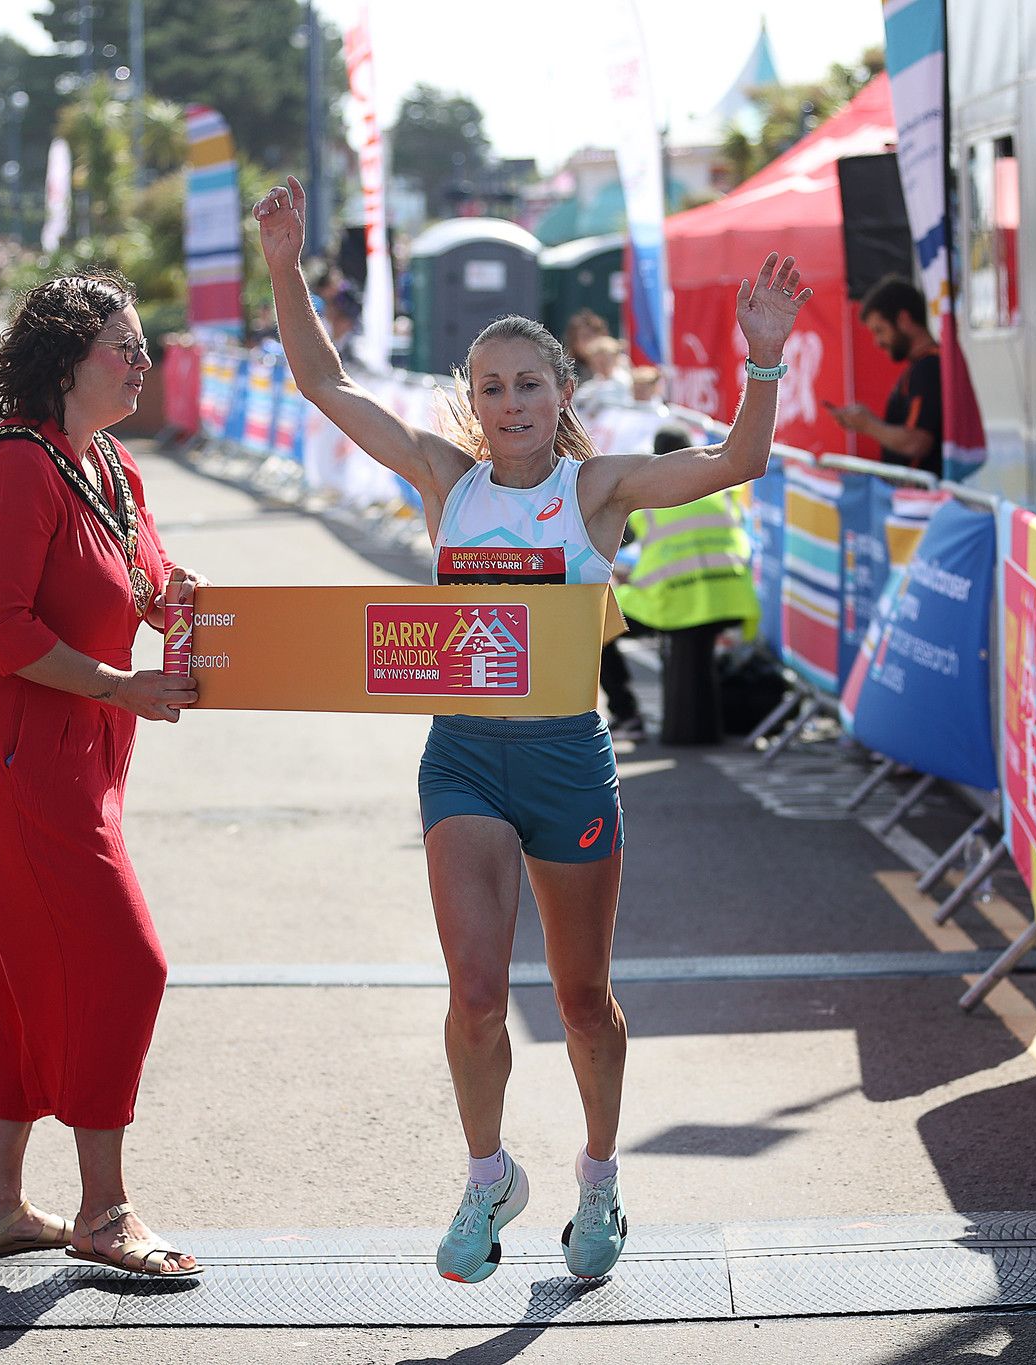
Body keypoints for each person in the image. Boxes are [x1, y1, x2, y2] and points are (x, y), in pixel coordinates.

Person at [255, 174, 811, 1283]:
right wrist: (283, 266)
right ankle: (485, 1177)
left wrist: (761, 360)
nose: (509, 403)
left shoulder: (597, 490)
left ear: (561, 392)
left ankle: (599, 1176)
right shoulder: (443, 479)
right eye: (490, 387)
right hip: (462, 759)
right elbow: (322, 382)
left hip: (567, 762)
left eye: (527, 384)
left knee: (581, 1002)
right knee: (473, 995)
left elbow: (737, 462)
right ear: (471, 401)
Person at [0, 270, 205, 1280]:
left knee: (20, 976)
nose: (144, 361)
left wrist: (175, 602)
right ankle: (104, 1209)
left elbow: (146, 586)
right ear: (65, 360)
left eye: (144, 346)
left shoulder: (110, 467)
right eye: (124, 347)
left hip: (83, 752)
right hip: (19, 756)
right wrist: (121, 684)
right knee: (126, 963)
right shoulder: (13, 467)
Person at [613, 425, 761, 746]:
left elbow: (619, 545)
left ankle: (627, 716)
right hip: (730, 595)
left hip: (674, 600)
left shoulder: (650, 498)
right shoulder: (723, 492)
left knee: (599, 625)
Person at [829, 275, 941, 473]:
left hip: (920, 490)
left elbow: (917, 443)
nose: (877, 342)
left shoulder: (928, 367)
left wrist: (868, 424)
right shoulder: (922, 366)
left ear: (903, 319)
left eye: (880, 330)